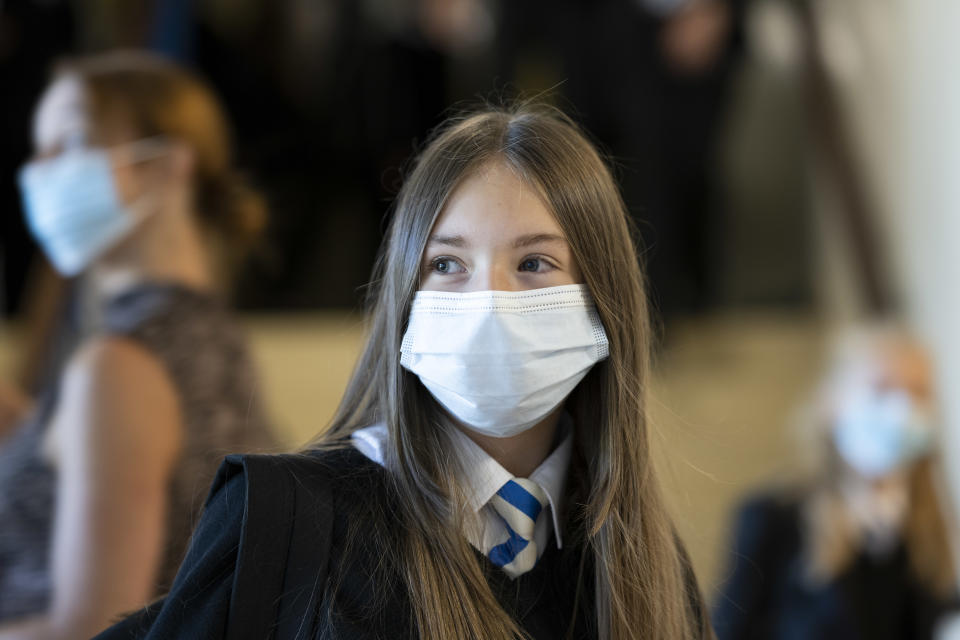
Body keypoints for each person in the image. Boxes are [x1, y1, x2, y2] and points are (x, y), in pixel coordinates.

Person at [97, 104, 713, 640]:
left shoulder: (644, 565)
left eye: (533, 262)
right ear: (406, 296)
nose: (485, 303)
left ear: (601, 299)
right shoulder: (286, 524)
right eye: (447, 264)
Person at [0, 51, 275, 639]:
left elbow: (90, 630)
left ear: (166, 164)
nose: (39, 170)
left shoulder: (120, 366)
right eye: (38, 147)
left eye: (69, 141)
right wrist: (23, 427)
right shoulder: (207, 339)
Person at [713, 325, 959, 640]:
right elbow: (728, 630)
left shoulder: (930, 526)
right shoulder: (772, 517)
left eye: (918, 392)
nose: (903, 410)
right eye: (882, 389)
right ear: (832, 404)